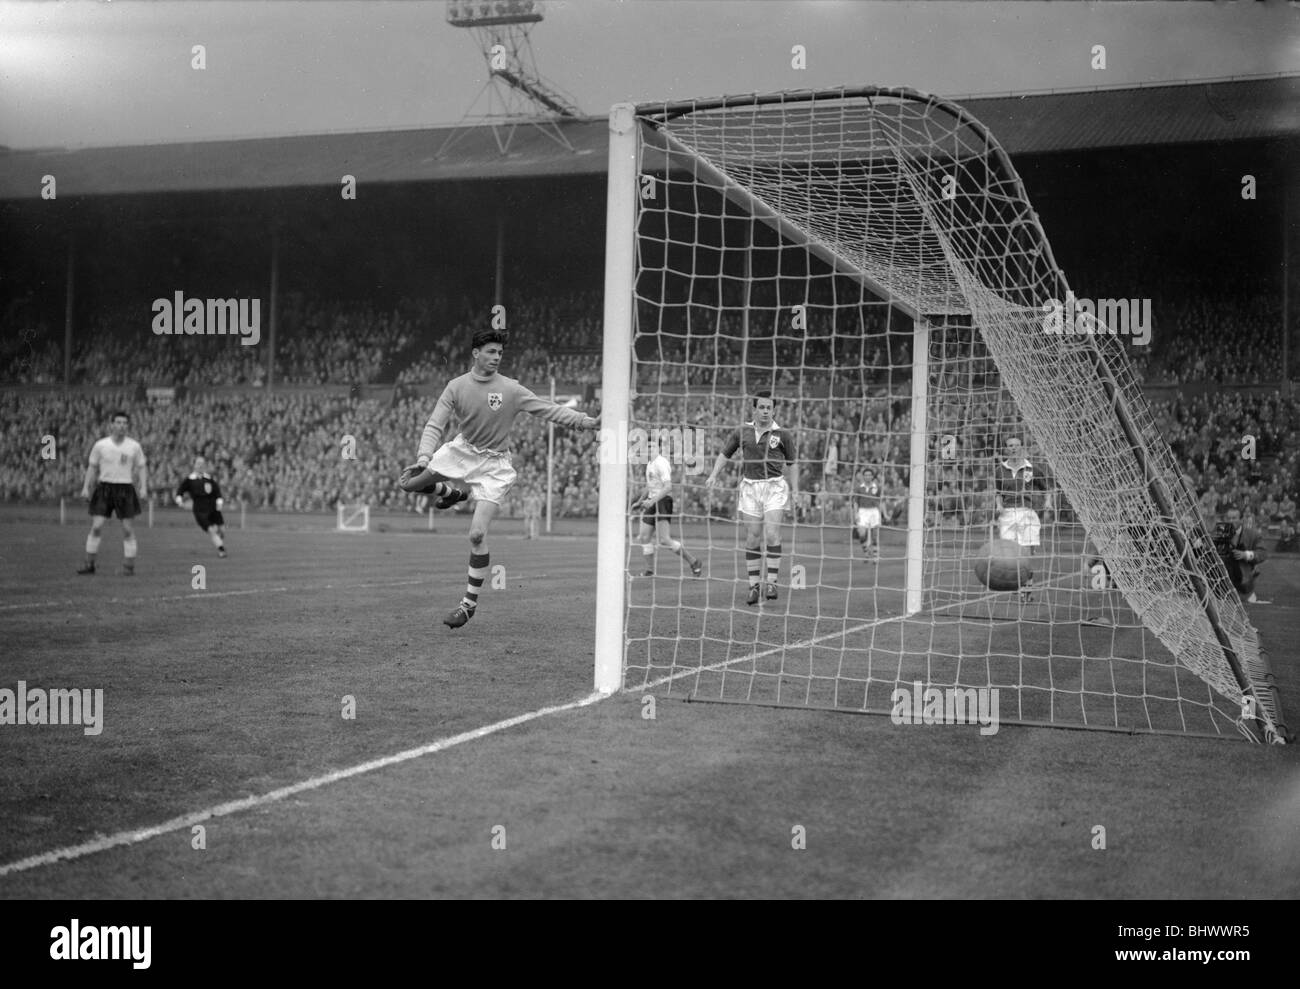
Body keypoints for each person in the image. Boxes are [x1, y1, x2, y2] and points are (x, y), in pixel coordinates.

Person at [399, 329, 599, 628]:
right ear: (476, 353)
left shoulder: (511, 389)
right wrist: (425, 455)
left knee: (477, 535)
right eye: (491, 352)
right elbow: (434, 424)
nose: (496, 358)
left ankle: (467, 606)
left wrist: (587, 422)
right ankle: (450, 492)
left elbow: (550, 410)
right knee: (406, 482)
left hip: (495, 465)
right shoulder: (456, 387)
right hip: (463, 451)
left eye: (500, 353)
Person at [705, 390, 799, 606]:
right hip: (750, 488)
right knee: (753, 537)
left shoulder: (782, 434)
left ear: (774, 410)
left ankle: (772, 583)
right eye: (762, 407)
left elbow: (793, 464)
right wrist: (713, 475)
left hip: (774, 486)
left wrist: (796, 491)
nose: (765, 411)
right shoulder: (742, 432)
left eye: (769, 408)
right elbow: (725, 454)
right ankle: (754, 586)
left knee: (772, 533)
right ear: (754, 409)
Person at [77, 410, 148, 576]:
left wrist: (143, 487)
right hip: (105, 489)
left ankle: (129, 567)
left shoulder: (134, 446)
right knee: (96, 526)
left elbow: (142, 467)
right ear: (111, 425)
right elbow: (92, 467)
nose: (122, 426)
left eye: (124, 423)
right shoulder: (101, 445)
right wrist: (86, 487)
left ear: (128, 426)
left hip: (125, 489)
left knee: (127, 530)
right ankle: (89, 564)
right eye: (118, 422)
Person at [632, 447, 702, 577]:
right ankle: (650, 571)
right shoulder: (649, 463)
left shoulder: (661, 462)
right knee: (644, 536)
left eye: (650, 446)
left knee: (664, 540)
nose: (646, 449)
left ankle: (694, 561)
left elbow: (668, 486)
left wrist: (652, 502)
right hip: (652, 501)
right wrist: (640, 501)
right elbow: (650, 485)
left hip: (663, 501)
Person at [175, 455, 228, 557]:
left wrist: (219, 502)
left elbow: (217, 492)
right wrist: (179, 499)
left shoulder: (208, 478)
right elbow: (180, 491)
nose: (200, 465)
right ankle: (221, 550)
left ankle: (219, 540)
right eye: (198, 463)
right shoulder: (190, 479)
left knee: (222, 530)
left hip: (213, 508)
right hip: (200, 510)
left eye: (202, 464)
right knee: (211, 530)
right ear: (194, 465)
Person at [1216, 506, 1268, 604]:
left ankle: (1245, 594)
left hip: (1245, 578)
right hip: (1223, 577)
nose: (1231, 521)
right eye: (1229, 518)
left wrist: (1246, 555)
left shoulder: (1253, 534)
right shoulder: (1220, 532)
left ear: (1241, 519)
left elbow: (1263, 554)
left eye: (1234, 518)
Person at [851, 466, 884, 558]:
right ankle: (865, 550)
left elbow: (880, 502)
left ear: (872, 476)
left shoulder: (877, 487)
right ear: (863, 477)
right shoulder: (859, 488)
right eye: (866, 475)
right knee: (861, 533)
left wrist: (881, 514)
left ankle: (875, 555)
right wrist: (855, 514)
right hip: (862, 511)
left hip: (874, 511)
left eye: (869, 475)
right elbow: (856, 502)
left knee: (875, 534)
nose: (868, 477)